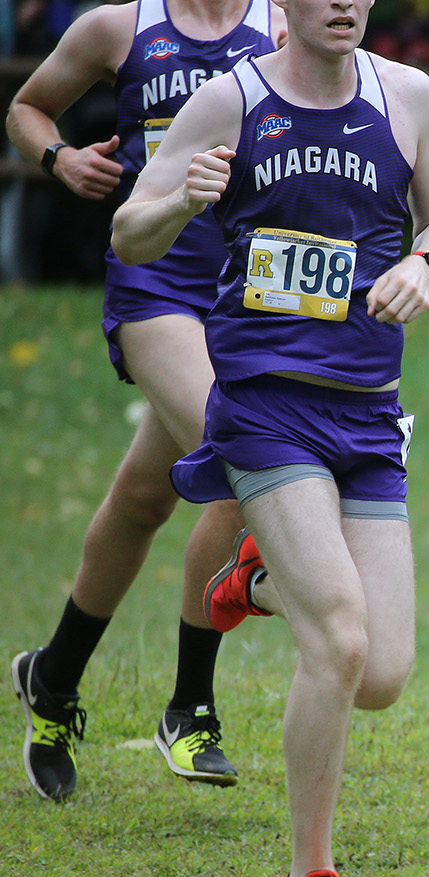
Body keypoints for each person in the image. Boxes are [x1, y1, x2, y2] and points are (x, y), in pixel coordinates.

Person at [112, 0, 429, 877]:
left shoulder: (409, 95)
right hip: (266, 410)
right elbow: (127, 234)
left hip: (367, 414)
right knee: (340, 641)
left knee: (381, 673)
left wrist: (425, 263)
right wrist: (181, 199)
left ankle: (257, 580)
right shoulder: (232, 101)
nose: (344, 3)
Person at [6, 0, 281, 800]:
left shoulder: (281, 24)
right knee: (240, 448)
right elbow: (26, 107)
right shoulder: (117, 27)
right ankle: (189, 708)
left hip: (247, 293)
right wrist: (56, 157)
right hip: (156, 285)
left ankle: (52, 677)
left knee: (141, 501)